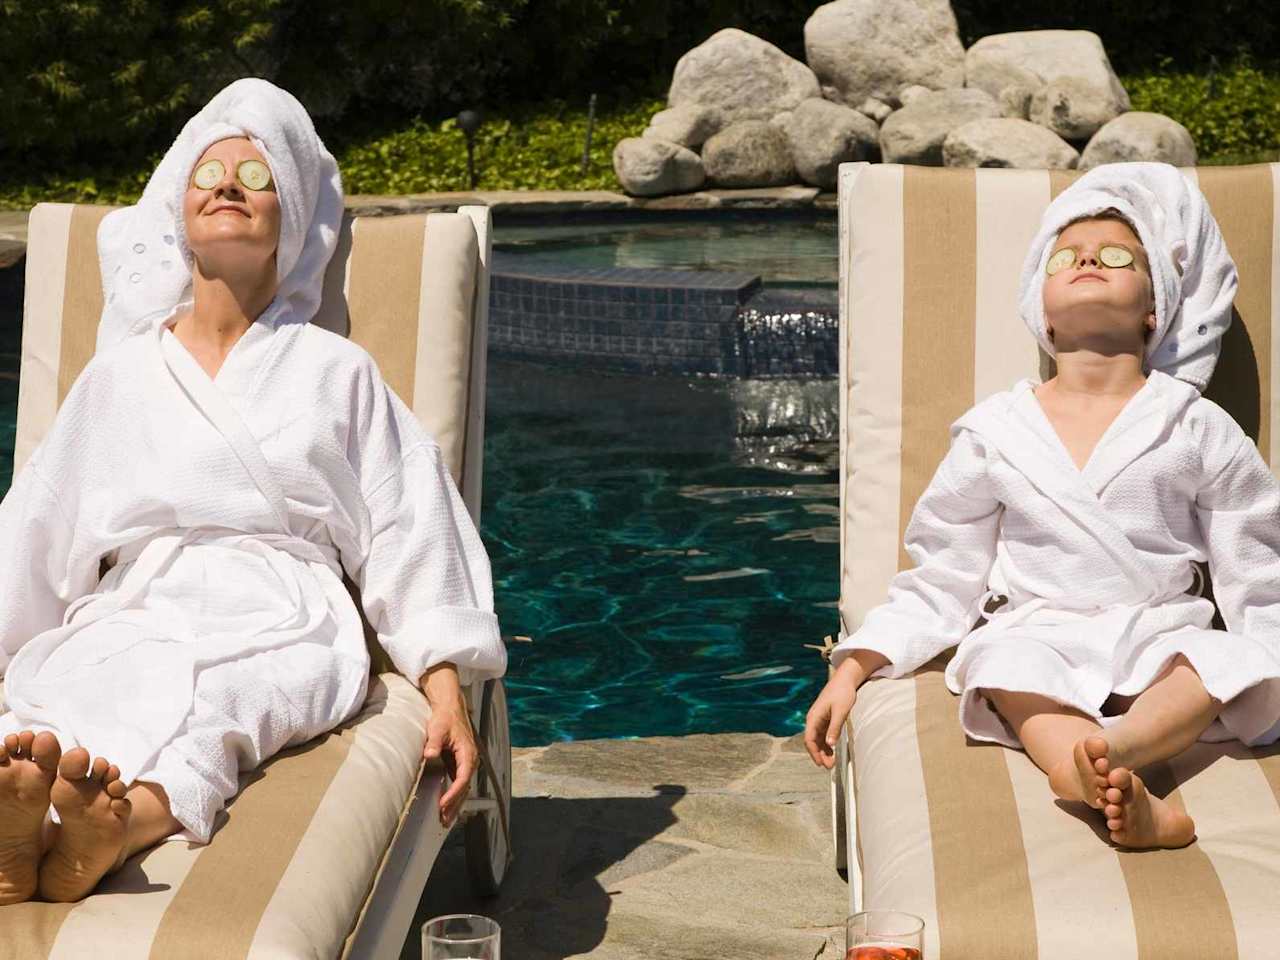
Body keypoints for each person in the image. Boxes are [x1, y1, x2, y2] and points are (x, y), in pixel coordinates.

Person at [0, 78, 506, 905]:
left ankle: (115, 826)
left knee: (223, 702)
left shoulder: (335, 370)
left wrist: (447, 682)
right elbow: (38, 524)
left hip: (287, 614)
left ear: (290, 220)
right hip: (139, 602)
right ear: (180, 214)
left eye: (257, 177)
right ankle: (30, 828)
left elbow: (407, 520)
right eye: (208, 174)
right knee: (66, 687)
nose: (229, 186)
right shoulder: (121, 374)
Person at [804, 162, 1280, 851]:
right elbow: (944, 572)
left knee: (1220, 660)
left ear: (1156, 306)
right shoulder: (996, 431)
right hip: (1041, 630)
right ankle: (1087, 774)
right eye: (1065, 257)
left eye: (1116, 256)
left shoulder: (1197, 426)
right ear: (1042, 309)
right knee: (1000, 664)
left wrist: (1265, 648)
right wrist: (854, 665)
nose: (1086, 259)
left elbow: (1255, 565)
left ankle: (1115, 751)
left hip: (1157, 632)